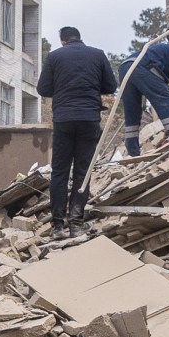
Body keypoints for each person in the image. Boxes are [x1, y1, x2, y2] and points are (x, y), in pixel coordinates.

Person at [35, 26, 117, 230]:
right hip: (89, 119)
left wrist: (61, 87)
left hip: (63, 119)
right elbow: (111, 86)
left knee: (60, 172)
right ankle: (76, 222)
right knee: (82, 171)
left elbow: (43, 89)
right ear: (80, 38)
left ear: (62, 41)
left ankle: (58, 225)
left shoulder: (55, 57)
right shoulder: (97, 55)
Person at [121, 38, 169, 157]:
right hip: (142, 66)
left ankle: (132, 153)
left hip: (125, 66)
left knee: (132, 112)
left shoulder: (166, 53)